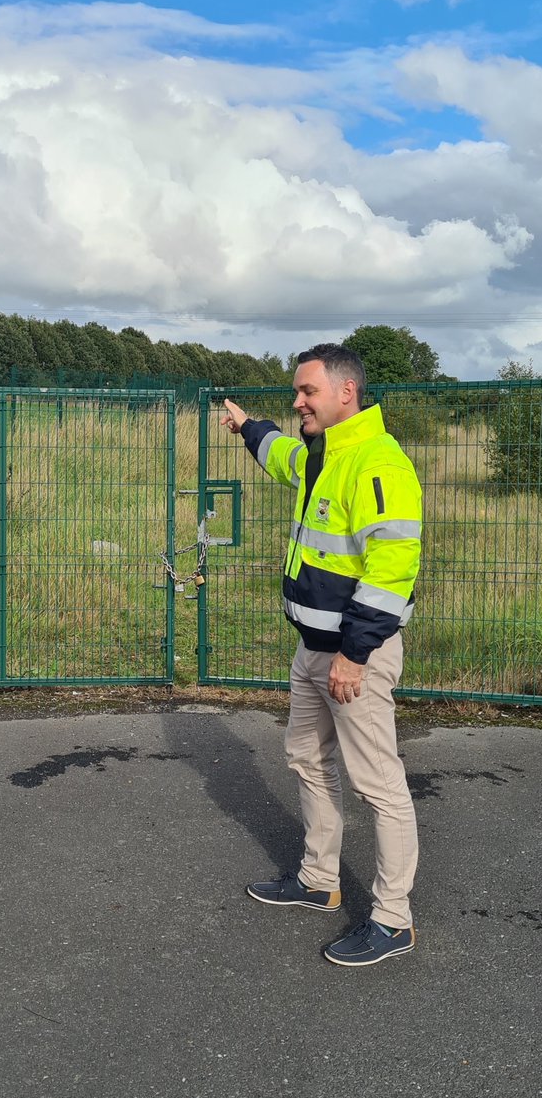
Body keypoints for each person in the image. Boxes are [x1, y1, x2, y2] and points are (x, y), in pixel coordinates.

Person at [222, 343, 422, 967]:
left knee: (377, 783)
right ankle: (319, 880)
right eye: (296, 392)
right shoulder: (321, 453)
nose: (296, 402)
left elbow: (393, 569)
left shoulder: (378, 463)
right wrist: (246, 427)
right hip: (313, 648)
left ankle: (393, 919)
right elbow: (282, 454)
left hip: (351, 656)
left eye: (306, 392)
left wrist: (355, 655)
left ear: (346, 394)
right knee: (305, 757)